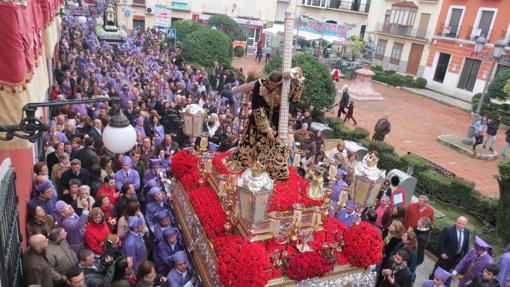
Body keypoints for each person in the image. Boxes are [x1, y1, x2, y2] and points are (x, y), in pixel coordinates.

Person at [236, 70, 303, 180]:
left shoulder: (284, 86)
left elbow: (294, 100)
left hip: (276, 123)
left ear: (279, 83)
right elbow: (257, 106)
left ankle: (273, 172)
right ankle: (252, 169)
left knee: (276, 149)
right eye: (270, 82)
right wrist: (267, 129)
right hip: (258, 123)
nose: (271, 86)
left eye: (274, 84)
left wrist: (299, 83)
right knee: (253, 147)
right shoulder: (259, 84)